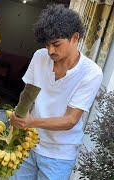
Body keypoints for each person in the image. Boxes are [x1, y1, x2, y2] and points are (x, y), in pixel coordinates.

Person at [9, 4, 103, 180]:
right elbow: (27, 95)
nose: (50, 50)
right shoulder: (39, 57)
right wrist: (19, 116)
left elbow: (70, 120)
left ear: (75, 38)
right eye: (47, 45)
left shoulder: (91, 73)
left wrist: (31, 122)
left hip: (59, 155)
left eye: (56, 44)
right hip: (28, 144)